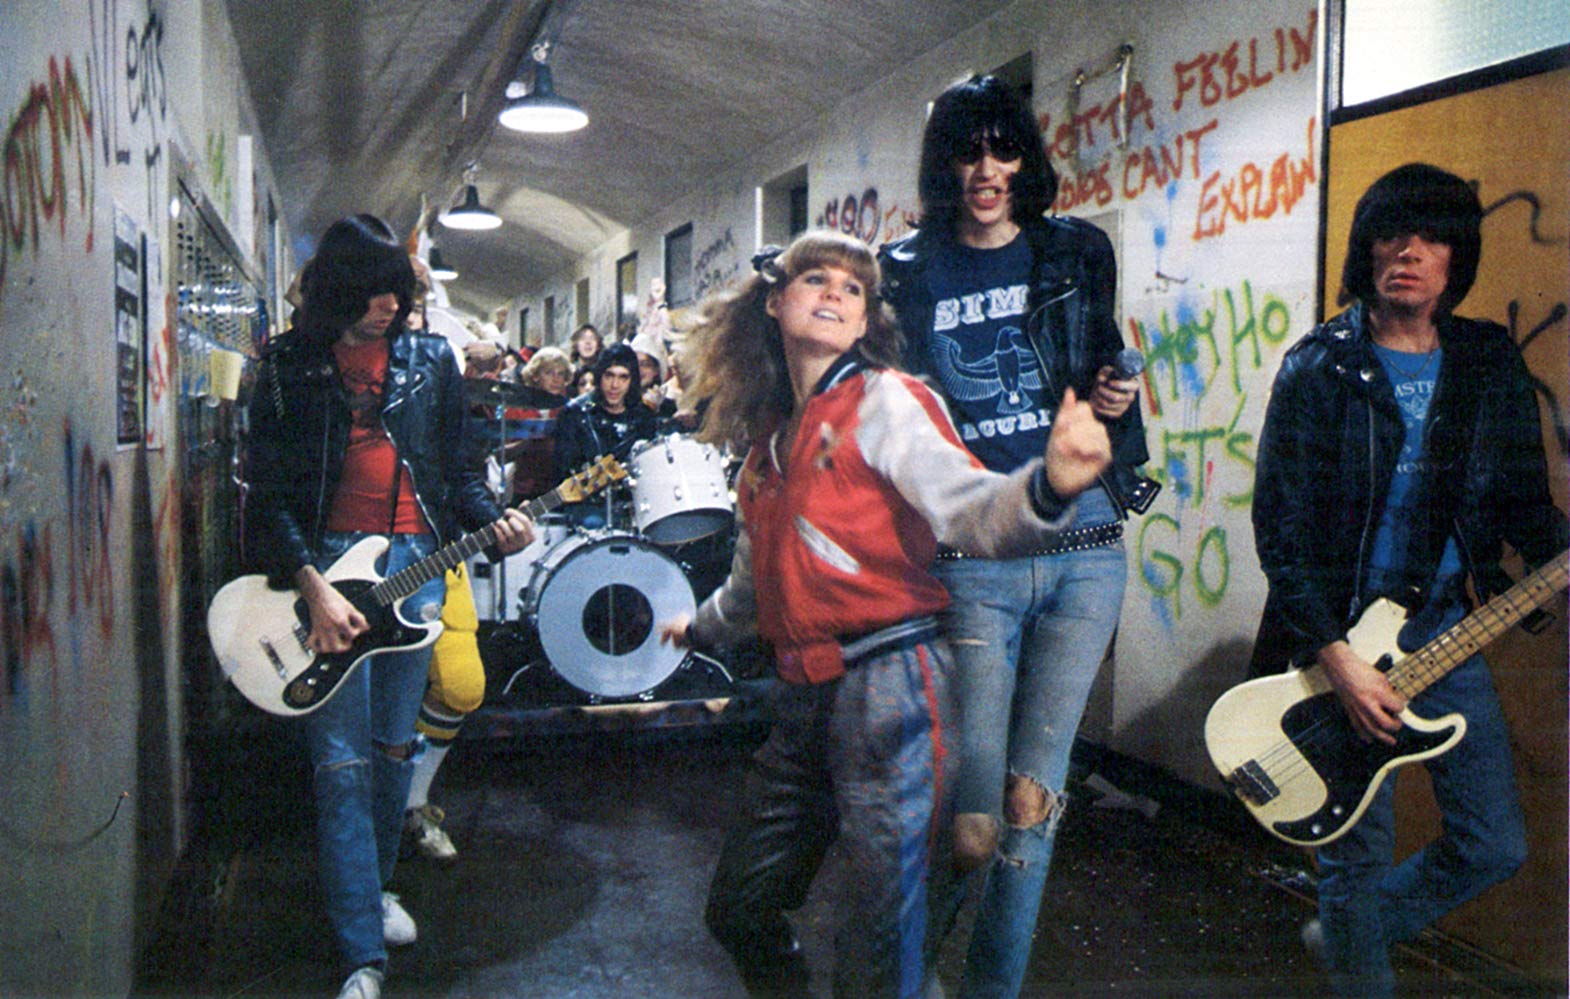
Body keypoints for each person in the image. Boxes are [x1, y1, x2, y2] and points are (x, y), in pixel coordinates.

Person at [662, 230, 1113, 997]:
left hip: (896, 687)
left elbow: (971, 508)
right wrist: (698, 626)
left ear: (868, 318)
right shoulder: (767, 452)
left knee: (880, 947)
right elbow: (751, 584)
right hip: (802, 700)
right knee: (740, 907)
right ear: (776, 301)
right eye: (815, 279)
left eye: (852, 287)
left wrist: (1047, 488)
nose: (834, 294)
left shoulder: (886, 399)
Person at [1250, 163, 1566, 997]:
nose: (1410, 254)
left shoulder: (1485, 360)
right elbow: (1280, 531)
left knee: (1493, 843)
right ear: (1368, 249)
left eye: (1431, 238)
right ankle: (1358, 954)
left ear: (1456, 257)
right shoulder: (1318, 367)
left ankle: (1349, 937)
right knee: (1354, 857)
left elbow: (1527, 502)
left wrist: (1554, 560)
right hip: (1334, 643)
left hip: (1440, 634)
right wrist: (1335, 657)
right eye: (1392, 235)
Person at [877, 74, 1150, 998]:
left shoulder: (1074, 251)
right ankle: (901, 975)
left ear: (1025, 160)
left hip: (1085, 548)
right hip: (976, 557)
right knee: (973, 819)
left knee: (1034, 805)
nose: (986, 170)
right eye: (967, 151)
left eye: (1003, 150)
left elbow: (1098, 366)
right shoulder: (905, 271)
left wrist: (1118, 397)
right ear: (944, 164)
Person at [244, 215, 534, 999]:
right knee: (339, 768)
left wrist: (494, 524)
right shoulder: (286, 365)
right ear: (336, 288)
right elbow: (266, 497)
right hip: (328, 571)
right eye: (371, 292)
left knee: (390, 757)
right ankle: (361, 954)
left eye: (397, 293)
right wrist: (312, 583)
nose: (386, 307)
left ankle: (369, 893)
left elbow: (462, 474)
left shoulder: (429, 358)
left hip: (418, 570)